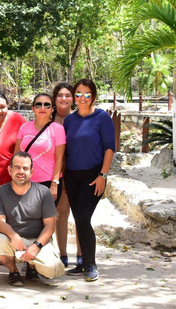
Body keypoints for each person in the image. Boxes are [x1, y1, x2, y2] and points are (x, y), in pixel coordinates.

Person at [63, 78, 115, 282]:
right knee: (78, 220)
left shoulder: (102, 117)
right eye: (78, 94)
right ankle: (83, 263)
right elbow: (66, 151)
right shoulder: (69, 120)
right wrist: (64, 180)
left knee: (84, 219)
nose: (82, 98)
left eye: (86, 94)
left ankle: (91, 263)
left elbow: (109, 148)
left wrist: (103, 175)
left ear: (93, 96)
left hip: (94, 176)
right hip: (72, 176)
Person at [0, 152, 64, 286]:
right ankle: (13, 271)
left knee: (52, 270)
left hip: (38, 240)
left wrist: (36, 246)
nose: (21, 171)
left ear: (31, 171)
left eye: (25, 168)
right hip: (13, 240)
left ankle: (32, 267)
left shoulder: (44, 192)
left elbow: (49, 226)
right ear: (9, 170)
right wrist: (13, 235)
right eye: (17, 167)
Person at [0, 91, 26, 244]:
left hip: (14, 177)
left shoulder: (17, 119)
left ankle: (15, 246)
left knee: (15, 213)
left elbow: (29, 138)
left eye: (2, 107)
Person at [52, 83, 82, 268]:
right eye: (60, 95)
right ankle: (62, 254)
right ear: (55, 98)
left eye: (67, 95)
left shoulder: (80, 118)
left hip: (78, 171)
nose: (64, 98)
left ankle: (81, 254)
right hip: (56, 173)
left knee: (81, 216)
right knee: (61, 215)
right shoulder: (48, 119)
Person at [15, 93, 66, 202]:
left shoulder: (58, 129)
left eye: (47, 105)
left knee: (46, 218)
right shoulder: (24, 127)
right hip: (25, 180)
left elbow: (59, 159)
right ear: (33, 108)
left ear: (52, 109)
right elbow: (16, 155)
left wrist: (54, 184)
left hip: (47, 182)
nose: (43, 108)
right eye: (38, 105)